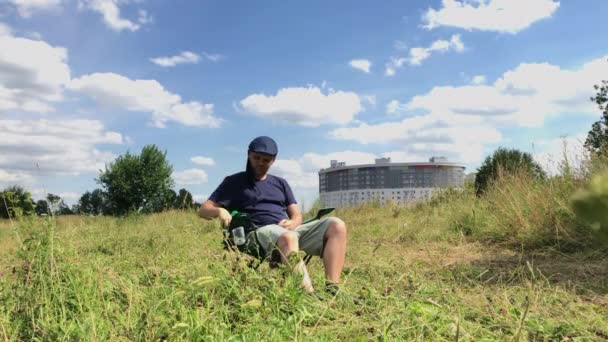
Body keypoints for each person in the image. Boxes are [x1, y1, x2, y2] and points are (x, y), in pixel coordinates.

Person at [198, 136, 347, 294]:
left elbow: (296, 214)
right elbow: (203, 210)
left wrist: (293, 222)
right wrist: (220, 210)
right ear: (249, 154)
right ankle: (308, 296)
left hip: (286, 231)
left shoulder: (280, 183)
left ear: (273, 160)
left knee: (337, 225)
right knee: (288, 237)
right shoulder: (233, 182)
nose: (261, 163)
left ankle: (332, 289)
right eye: (257, 158)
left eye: (266, 160)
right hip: (255, 233)